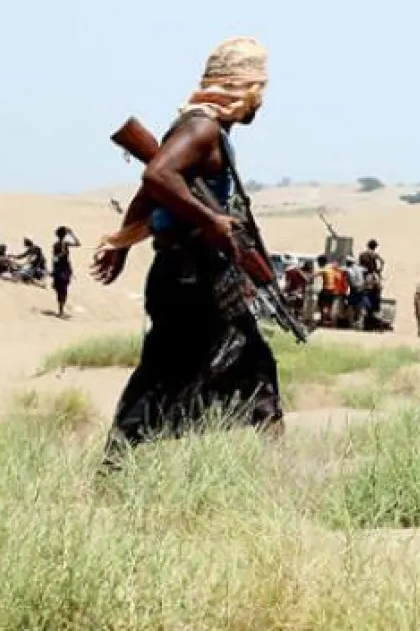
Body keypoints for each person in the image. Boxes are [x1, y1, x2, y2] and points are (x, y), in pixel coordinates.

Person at [89, 36, 284, 468]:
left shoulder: (206, 129)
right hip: (187, 277)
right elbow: (159, 175)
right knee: (168, 375)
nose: (261, 104)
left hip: (199, 274)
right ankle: (114, 465)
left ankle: (278, 472)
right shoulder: (202, 128)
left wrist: (124, 241)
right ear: (242, 89)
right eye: (259, 92)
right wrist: (209, 220)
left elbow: (151, 186)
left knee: (252, 368)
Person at [52, 226, 81, 317]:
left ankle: (60, 310)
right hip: (63, 269)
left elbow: (54, 258)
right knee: (62, 289)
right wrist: (71, 234)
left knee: (61, 289)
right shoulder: (61, 244)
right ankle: (61, 310)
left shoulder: (59, 244)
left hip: (61, 269)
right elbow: (78, 243)